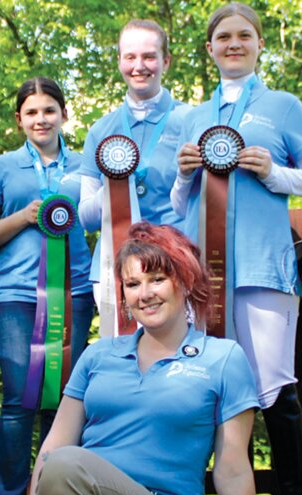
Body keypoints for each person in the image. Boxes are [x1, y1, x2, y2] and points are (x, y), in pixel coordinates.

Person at [173, 4, 302, 495]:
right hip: (199, 277)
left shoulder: (284, 107)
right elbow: (175, 206)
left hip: (263, 269)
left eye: (244, 36)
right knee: (197, 383)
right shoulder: (191, 116)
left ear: (259, 44)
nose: (233, 44)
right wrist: (183, 174)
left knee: (274, 387)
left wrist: (275, 173)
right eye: (223, 37)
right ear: (209, 48)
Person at [21, 222, 260, 495]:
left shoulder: (223, 358)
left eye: (157, 280)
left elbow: (233, 470)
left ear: (185, 281)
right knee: (61, 465)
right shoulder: (98, 355)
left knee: (66, 465)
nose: (145, 294)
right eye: (133, 284)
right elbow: (54, 444)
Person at [0, 77, 95, 495]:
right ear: (19, 119)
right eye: (31, 112)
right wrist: (23, 218)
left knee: (62, 399)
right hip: (15, 296)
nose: (41, 119)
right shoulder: (2, 168)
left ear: (63, 114)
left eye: (49, 110)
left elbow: (104, 219)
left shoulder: (87, 166)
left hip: (75, 293)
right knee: (20, 397)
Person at [78, 19, 190, 333]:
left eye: (149, 56)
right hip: (115, 270)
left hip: (175, 265)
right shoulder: (101, 130)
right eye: (130, 57)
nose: (139, 66)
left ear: (166, 61)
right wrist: (116, 184)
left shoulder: (190, 120)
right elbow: (86, 217)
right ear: (119, 62)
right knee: (124, 363)